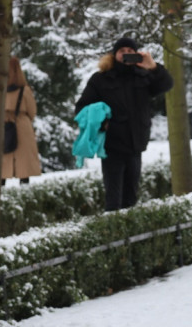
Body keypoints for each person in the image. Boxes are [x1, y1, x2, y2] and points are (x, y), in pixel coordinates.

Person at [74, 36, 174, 211]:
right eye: (122, 51)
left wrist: (153, 67)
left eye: (130, 51)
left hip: (136, 146)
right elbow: (82, 108)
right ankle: (114, 234)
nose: (126, 54)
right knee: (114, 200)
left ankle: (129, 236)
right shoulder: (101, 79)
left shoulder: (143, 76)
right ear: (114, 55)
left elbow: (167, 84)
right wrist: (103, 122)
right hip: (113, 147)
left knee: (131, 198)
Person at [2, 57, 41, 186]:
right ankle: (24, 189)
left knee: (2, 160)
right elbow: (32, 111)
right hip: (22, 126)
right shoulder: (25, 90)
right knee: (24, 162)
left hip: (2, 125)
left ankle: (1, 189)